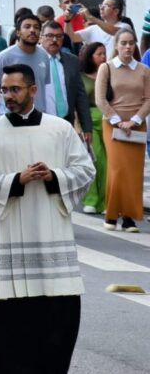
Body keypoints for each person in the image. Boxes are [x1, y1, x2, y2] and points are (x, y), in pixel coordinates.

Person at [0, 63, 94, 374]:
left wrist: (52, 176)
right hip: (11, 232)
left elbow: (85, 170)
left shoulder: (59, 129)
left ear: (32, 90)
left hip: (52, 228)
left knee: (60, 312)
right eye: (4, 90)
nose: (8, 96)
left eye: (15, 90)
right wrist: (16, 180)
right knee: (16, 315)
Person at [94, 28, 150, 232]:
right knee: (117, 170)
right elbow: (100, 99)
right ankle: (111, 213)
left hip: (136, 125)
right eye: (123, 43)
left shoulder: (144, 70)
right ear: (116, 45)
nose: (128, 47)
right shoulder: (106, 68)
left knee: (134, 173)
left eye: (131, 43)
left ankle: (129, 217)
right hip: (113, 124)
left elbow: (148, 99)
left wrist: (134, 120)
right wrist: (118, 121)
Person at [0, 14, 50, 114]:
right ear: (18, 32)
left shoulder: (44, 55)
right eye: (27, 26)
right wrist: (3, 110)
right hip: (11, 118)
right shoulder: (4, 57)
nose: (32, 30)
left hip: (37, 117)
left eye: (36, 27)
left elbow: (44, 87)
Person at [40, 21, 92, 135]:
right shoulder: (33, 60)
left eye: (59, 36)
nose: (54, 40)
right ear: (41, 38)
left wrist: (86, 127)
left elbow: (80, 95)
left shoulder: (72, 60)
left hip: (66, 121)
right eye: (49, 36)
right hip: (41, 122)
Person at [79, 42, 107, 214]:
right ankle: (91, 199)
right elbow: (77, 102)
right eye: (99, 54)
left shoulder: (110, 73)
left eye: (105, 53)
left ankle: (106, 202)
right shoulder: (81, 76)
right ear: (91, 56)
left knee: (108, 163)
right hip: (89, 121)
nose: (103, 57)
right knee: (93, 160)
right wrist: (79, 124)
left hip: (108, 120)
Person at [66, 0, 130, 57]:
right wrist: (67, 20)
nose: (101, 8)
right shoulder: (93, 29)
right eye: (101, 5)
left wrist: (90, 17)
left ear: (116, 11)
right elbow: (72, 37)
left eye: (105, 6)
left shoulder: (125, 27)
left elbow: (114, 31)